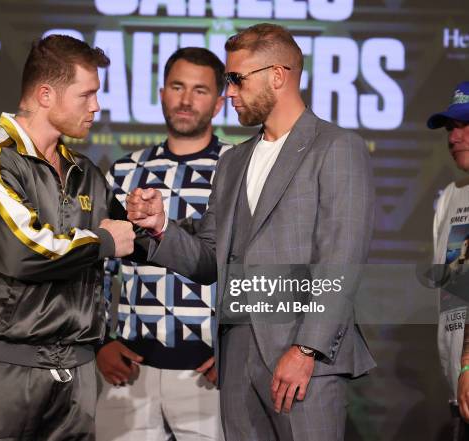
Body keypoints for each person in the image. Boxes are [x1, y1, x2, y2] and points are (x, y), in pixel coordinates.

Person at [126, 23, 376, 441]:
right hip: (237, 355)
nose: (229, 92)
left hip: (303, 358)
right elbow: (209, 258)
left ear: (278, 76)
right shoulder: (234, 161)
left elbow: (341, 260)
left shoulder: (335, 147)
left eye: (237, 79)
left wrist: (306, 350)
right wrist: (161, 228)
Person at [0, 35, 149, 441]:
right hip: (4, 371)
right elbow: (24, 251)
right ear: (45, 94)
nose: (96, 106)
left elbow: (120, 238)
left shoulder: (86, 171)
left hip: (75, 375)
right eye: (86, 94)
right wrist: (107, 240)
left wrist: (143, 223)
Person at [95, 47, 229, 441]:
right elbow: (99, 266)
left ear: (220, 102)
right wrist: (100, 341)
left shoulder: (237, 167)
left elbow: (252, 263)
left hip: (210, 373)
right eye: (177, 86)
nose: (186, 100)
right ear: (161, 93)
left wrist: (239, 350)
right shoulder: (124, 170)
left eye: (200, 90)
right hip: (130, 370)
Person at [429, 81, 469, 439]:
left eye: (464, 125)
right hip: (458, 388)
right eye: (450, 128)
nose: (453, 137)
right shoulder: (450, 198)